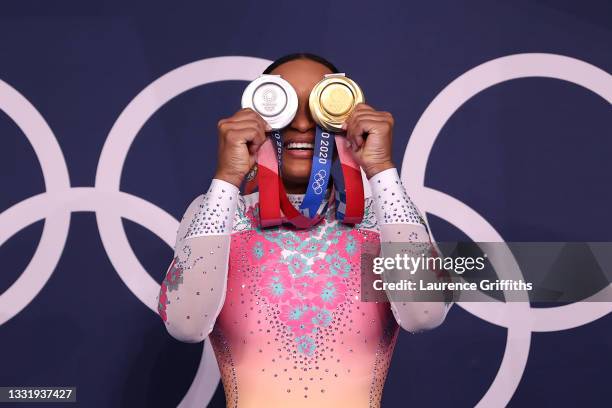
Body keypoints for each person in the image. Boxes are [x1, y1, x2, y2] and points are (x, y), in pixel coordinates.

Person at [157, 53, 452, 408]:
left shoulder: (382, 221)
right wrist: (227, 178)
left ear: (345, 117)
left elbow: (426, 313)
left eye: (319, 107)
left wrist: (382, 170)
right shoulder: (221, 217)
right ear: (257, 115)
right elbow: (185, 323)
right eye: (281, 106)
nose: (300, 124)